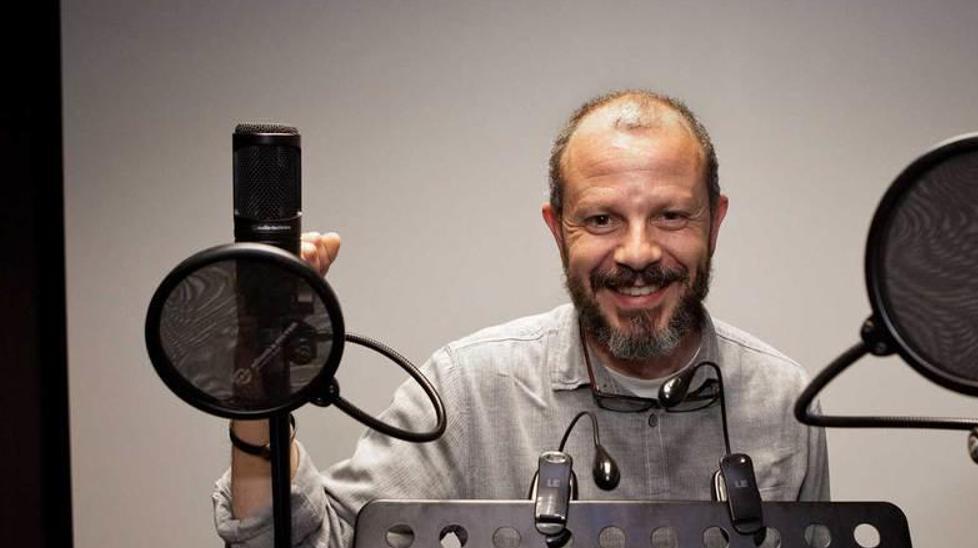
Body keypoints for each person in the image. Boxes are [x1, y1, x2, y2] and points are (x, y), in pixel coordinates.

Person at [214, 90, 828, 547]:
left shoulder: (784, 400)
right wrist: (258, 380)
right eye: (601, 220)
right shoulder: (467, 390)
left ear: (715, 222)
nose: (638, 253)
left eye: (670, 216)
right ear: (556, 229)